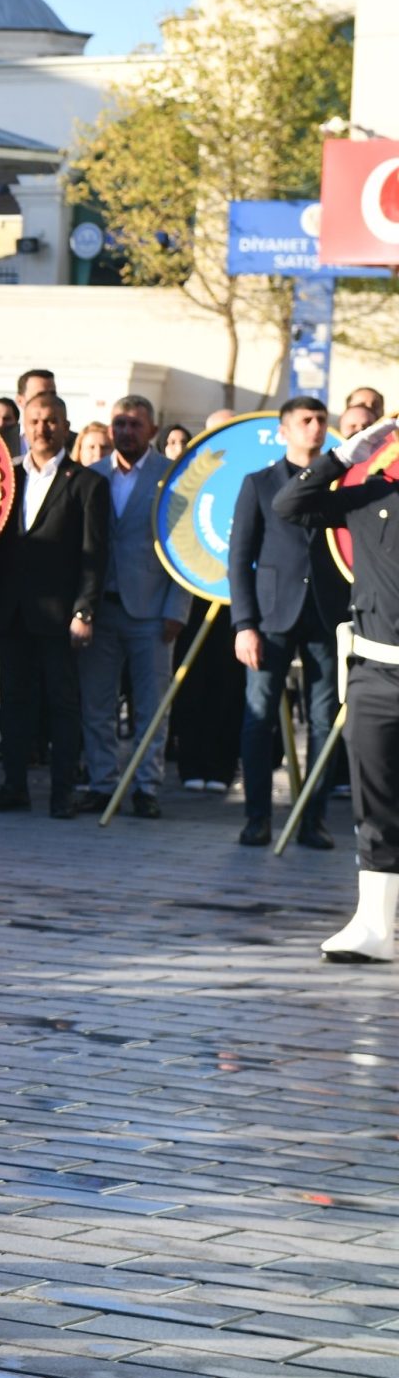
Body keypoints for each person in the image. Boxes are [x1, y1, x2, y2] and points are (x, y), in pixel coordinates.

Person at [275, 416, 399, 961]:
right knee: (375, 803)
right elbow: (290, 505)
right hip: (376, 670)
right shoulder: (371, 494)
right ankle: (374, 925)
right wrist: (342, 457)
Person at [0, 393, 109, 819]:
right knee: (14, 702)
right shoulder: (4, 478)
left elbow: (95, 554)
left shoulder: (87, 483)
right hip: (11, 612)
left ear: (65, 425)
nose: (41, 429)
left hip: (61, 616)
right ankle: (14, 786)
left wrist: (84, 611)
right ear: (23, 426)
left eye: (50, 421)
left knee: (62, 705)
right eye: (33, 421)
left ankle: (62, 793)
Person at [228, 396, 345, 850]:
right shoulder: (258, 484)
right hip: (271, 615)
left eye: (321, 421)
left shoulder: (339, 485)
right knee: (259, 719)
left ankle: (311, 819)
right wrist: (244, 624)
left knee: (323, 719)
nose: (315, 428)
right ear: (284, 430)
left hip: (326, 614)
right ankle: (257, 817)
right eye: (305, 421)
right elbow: (239, 559)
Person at [77, 395, 183, 819]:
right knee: (97, 704)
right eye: (119, 424)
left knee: (151, 706)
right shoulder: (91, 475)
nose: (126, 431)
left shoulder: (172, 477)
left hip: (154, 612)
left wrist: (178, 608)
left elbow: (183, 547)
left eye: (135, 425)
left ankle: (145, 787)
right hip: (100, 609)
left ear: (153, 431)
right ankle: (102, 784)